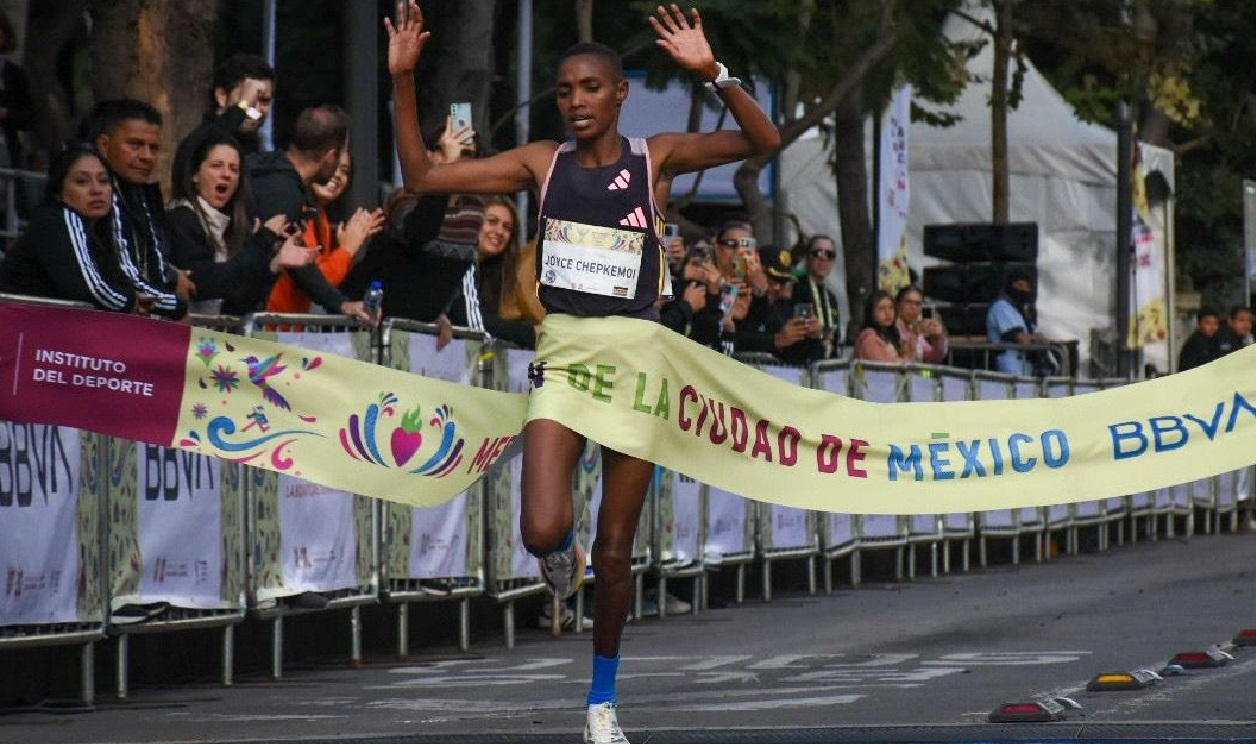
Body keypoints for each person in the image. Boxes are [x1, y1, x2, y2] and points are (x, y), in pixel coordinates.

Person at [386, 4, 780, 741]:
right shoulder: (543, 163)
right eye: (565, 90)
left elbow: (765, 139)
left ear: (619, 93)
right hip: (565, 358)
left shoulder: (654, 158)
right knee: (543, 528)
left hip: (637, 363)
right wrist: (404, 81)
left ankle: (602, 699)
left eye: (591, 87)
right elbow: (422, 175)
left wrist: (713, 71)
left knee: (616, 549)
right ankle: (554, 559)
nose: (576, 102)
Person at [166, 131, 317, 315]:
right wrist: (261, 241)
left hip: (212, 340)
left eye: (234, 169)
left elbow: (239, 304)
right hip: (178, 338)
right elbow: (203, 284)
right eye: (216, 166)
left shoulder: (230, 226)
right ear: (195, 175)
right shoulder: (181, 218)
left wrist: (274, 265)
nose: (226, 175)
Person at [246, 104, 371, 321]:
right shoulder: (285, 194)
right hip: (256, 326)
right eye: (340, 156)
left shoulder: (266, 170)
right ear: (330, 155)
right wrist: (339, 303)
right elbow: (297, 264)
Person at [0, 142, 144, 313]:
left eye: (104, 181)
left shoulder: (98, 235)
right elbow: (91, 292)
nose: (96, 190)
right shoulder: (57, 220)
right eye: (82, 181)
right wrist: (132, 302)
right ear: (58, 192)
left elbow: (122, 281)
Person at [81, 99, 189, 320]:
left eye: (153, 148)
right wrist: (175, 305)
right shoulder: (101, 194)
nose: (147, 156)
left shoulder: (140, 194)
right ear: (104, 144)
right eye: (135, 144)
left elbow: (153, 263)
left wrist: (170, 277)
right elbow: (124, 272)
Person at [265, 149, 384, 314]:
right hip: (270, 325)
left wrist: (344, 247)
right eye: (331, 166)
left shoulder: (320, 216)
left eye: (344, 171)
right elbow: (318, 280)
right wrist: (346, 250)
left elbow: (321, 284)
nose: (336, 175)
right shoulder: (297, 208)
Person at [448, 195, 544, 348]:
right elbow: (473, 322)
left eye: (507, 228)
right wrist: (531, 333)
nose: (499, 231)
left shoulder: (491, 274)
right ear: (474, 223)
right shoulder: (460, 256)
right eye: (492, 221)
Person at [171, 53, 276, 192]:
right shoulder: (197, 142)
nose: (255, 109)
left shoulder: (259, 153)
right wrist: (242, 107)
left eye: (264, 101)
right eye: (249, 98)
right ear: (222, 96)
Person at [788, 235, 842, 360]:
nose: (823, 259)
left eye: (829, 254)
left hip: (827, 368)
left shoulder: (831, 298)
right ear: (807, 257)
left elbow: (835, 337)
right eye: (817, 253)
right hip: (802, 365)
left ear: (833, 261)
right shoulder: (797, 289)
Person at [986, 266, 1046, 375]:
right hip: (1009, 367)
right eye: (1019, 285)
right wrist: (1035, 339)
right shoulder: (1001, 307)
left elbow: (1037, 335)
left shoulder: (1021, 312)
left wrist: (1037, 338)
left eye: (1027, 287)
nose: (1023, 290)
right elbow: (1022, 338)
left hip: (1025, 368)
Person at [895, 284, 948, 364]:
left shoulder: (915, 330)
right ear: (898, 304)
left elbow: (934, 358)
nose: (913, 307)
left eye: (917, 304)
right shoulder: (891, 328)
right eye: (909, 302)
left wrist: (939, 336)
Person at [852, 289, 903, 362]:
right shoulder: (869, 338)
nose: (888, 313)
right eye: (881, 309)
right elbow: (883, 367)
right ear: (871, 312)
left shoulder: (887, 335)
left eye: (891, 308)